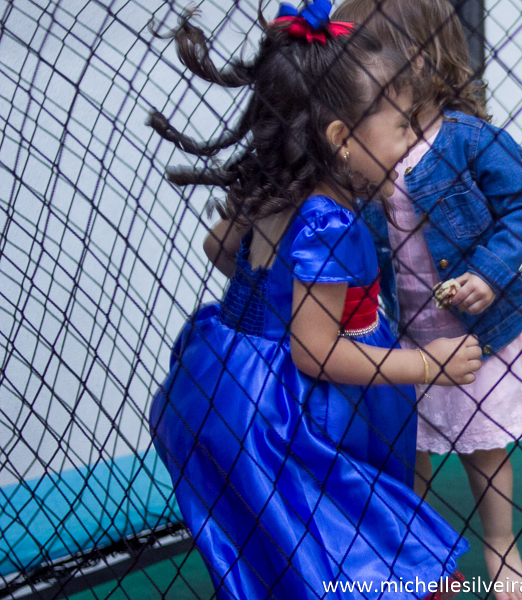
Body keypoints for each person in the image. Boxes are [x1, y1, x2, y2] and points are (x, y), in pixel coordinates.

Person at [147, 2, 479, 598]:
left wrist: (268, 286)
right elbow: (315, 353)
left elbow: (219, 247)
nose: (410, 142)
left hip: (216, 382)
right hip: (275, 414)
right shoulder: (332, 223)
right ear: (342, 140)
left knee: (283, 542)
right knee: (363, 539)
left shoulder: (273, 191)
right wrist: (429, 364)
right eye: (401, 126)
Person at [333, 1, 522, 598]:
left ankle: (500, 545)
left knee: (483, 448)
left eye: (368, 58)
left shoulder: (467, 139)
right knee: (409, 452)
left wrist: (489, 270)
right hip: (405, 333)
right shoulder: (367, 144)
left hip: (478, 332)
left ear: (420, 61)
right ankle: (418, 551)